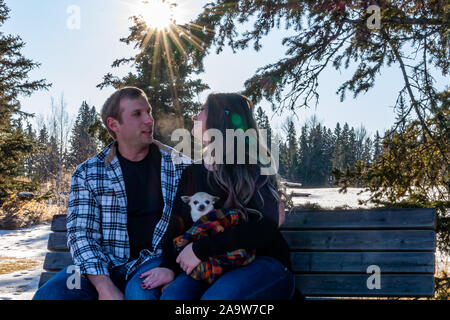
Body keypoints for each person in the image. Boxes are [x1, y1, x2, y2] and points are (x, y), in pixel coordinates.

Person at [33, 87, 191, 300]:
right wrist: (104, 286)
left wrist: (173, 267)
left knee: (141, 295)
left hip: (152, 262)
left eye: (149, 111)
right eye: (137, 114)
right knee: (52, 294)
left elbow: (196, 223)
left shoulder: (178, 166)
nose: (149, 120)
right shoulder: (89, 172)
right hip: (102, 266)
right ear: (114, 124)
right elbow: (82, 235)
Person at [139, 93, 296, 300]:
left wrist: (201, 249)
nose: (194, 117)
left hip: (262, 262)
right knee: (174, 296)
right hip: (211, 265)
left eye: (203, 110)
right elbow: (177, 225)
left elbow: (266, 226)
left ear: (221, 119)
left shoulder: (252, 166)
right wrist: (169, 266)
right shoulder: (192, 173)